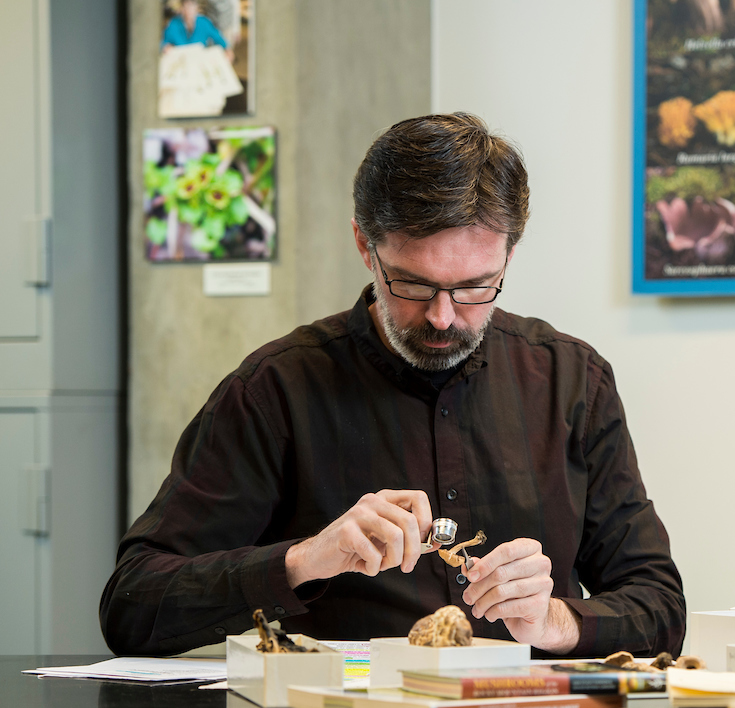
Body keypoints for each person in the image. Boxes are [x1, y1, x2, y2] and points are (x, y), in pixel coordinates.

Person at [100, 113, 686, 659]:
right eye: (411, 284)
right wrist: (305, 560)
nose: (442, 316)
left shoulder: (571, 381)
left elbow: (659, 605)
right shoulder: (275, 390)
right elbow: (132, 604)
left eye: (476, 287)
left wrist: (556, 621)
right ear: (364, 245)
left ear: (509, 255)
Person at [161, 0, 228, 51]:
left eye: (192, 6)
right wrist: (165, 47)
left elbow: (219, 38)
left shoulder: (204, 22)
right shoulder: (173, 24)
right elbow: (163, 42)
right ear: (181, 9)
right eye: (186, 6)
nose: (189, 10)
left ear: (197, 8)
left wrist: (227, 49)